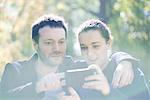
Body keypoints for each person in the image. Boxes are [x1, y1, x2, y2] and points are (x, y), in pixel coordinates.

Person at [0, 14, 138, 100]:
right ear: (35, 45)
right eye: (49, 43)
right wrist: (38, 87)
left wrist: (125, 61)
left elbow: (103, 59)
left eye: (61, 42)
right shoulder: (15, 70)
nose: (57, 49)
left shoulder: (75, 67)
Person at [75, 19, 150, 100]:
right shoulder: (75, 74)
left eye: (96, 46)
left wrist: (109, 91)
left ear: (109, 43)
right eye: (84, 48)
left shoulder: (130, 74)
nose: (89, 53)